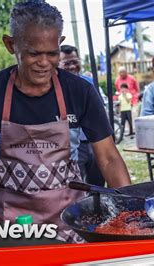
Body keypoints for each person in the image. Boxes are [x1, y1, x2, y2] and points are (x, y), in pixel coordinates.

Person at [0, 1, 131, 243]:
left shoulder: (79, 92)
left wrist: (129, 215)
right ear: (10, 45)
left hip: (70, 226)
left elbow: (109, 158)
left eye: (52, 53)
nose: (44, 62)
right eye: (34, 53)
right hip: (10, 229)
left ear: (60, 43)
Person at [59, 44, 106, 187]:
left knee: (97, 183)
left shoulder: (89, 83)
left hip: (93, 142)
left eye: (75, 62)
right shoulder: (55, 87)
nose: (72, 66)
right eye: (67, 63)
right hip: (71, 146)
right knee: (76, 185)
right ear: (58, 64)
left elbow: (100, 110)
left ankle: (97, 207)